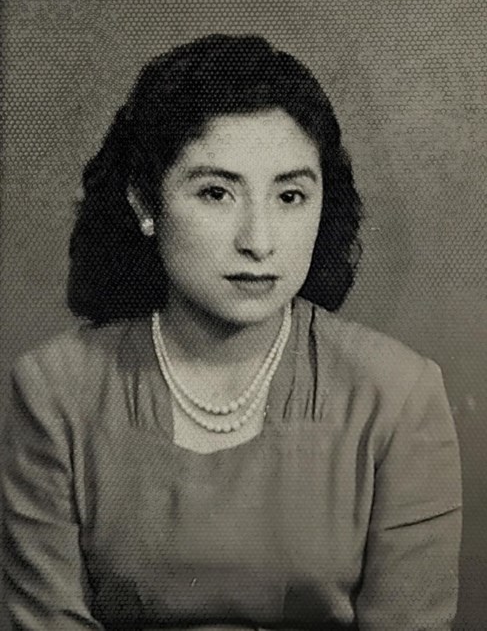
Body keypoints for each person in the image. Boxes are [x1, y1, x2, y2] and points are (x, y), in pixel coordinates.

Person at [2, 34, 462, 630]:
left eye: (290, 195)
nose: (259, 240)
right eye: (217, 193)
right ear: (145, 204)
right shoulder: (53, 391)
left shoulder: (398, 394)